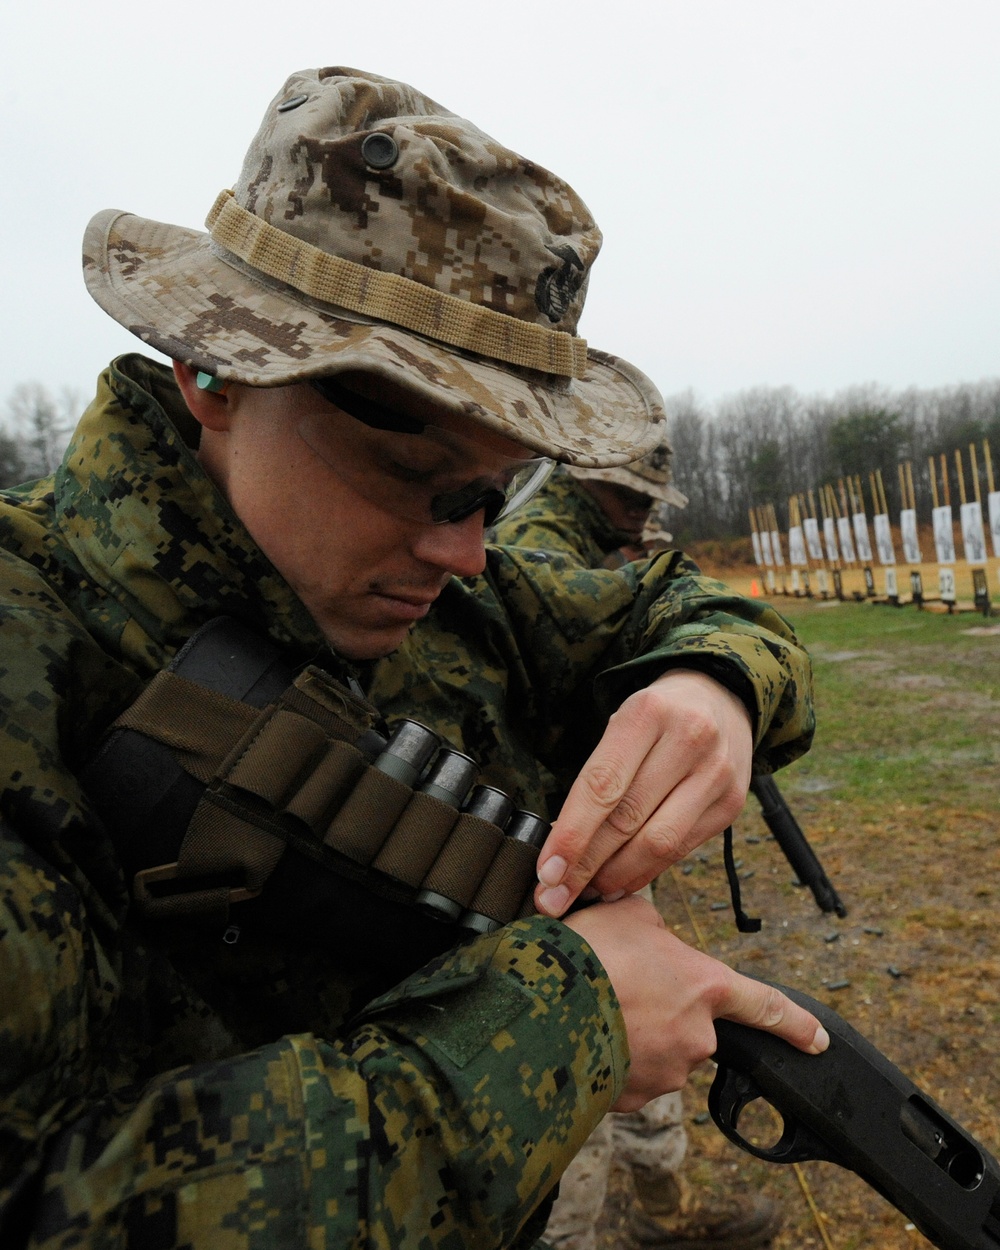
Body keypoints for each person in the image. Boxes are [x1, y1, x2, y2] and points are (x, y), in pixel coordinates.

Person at [0, 66, 827, 1250]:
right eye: (413, 477)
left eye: (495, 495)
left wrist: (718, 685)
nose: (468, 554)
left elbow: (675, 603)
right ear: (214, 368)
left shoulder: (455, 603)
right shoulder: (31, 652)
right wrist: (561, 1025)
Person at [494, 456, 780, 1248]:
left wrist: (709, 681)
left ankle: (664, 1210)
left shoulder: (598, 541)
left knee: (645, 1042)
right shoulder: (538, 540)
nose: (642, 510)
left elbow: (710, 615)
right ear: (596, 480)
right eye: (635, 495)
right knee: (567, 1098)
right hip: (541, 879)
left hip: (601, 863)